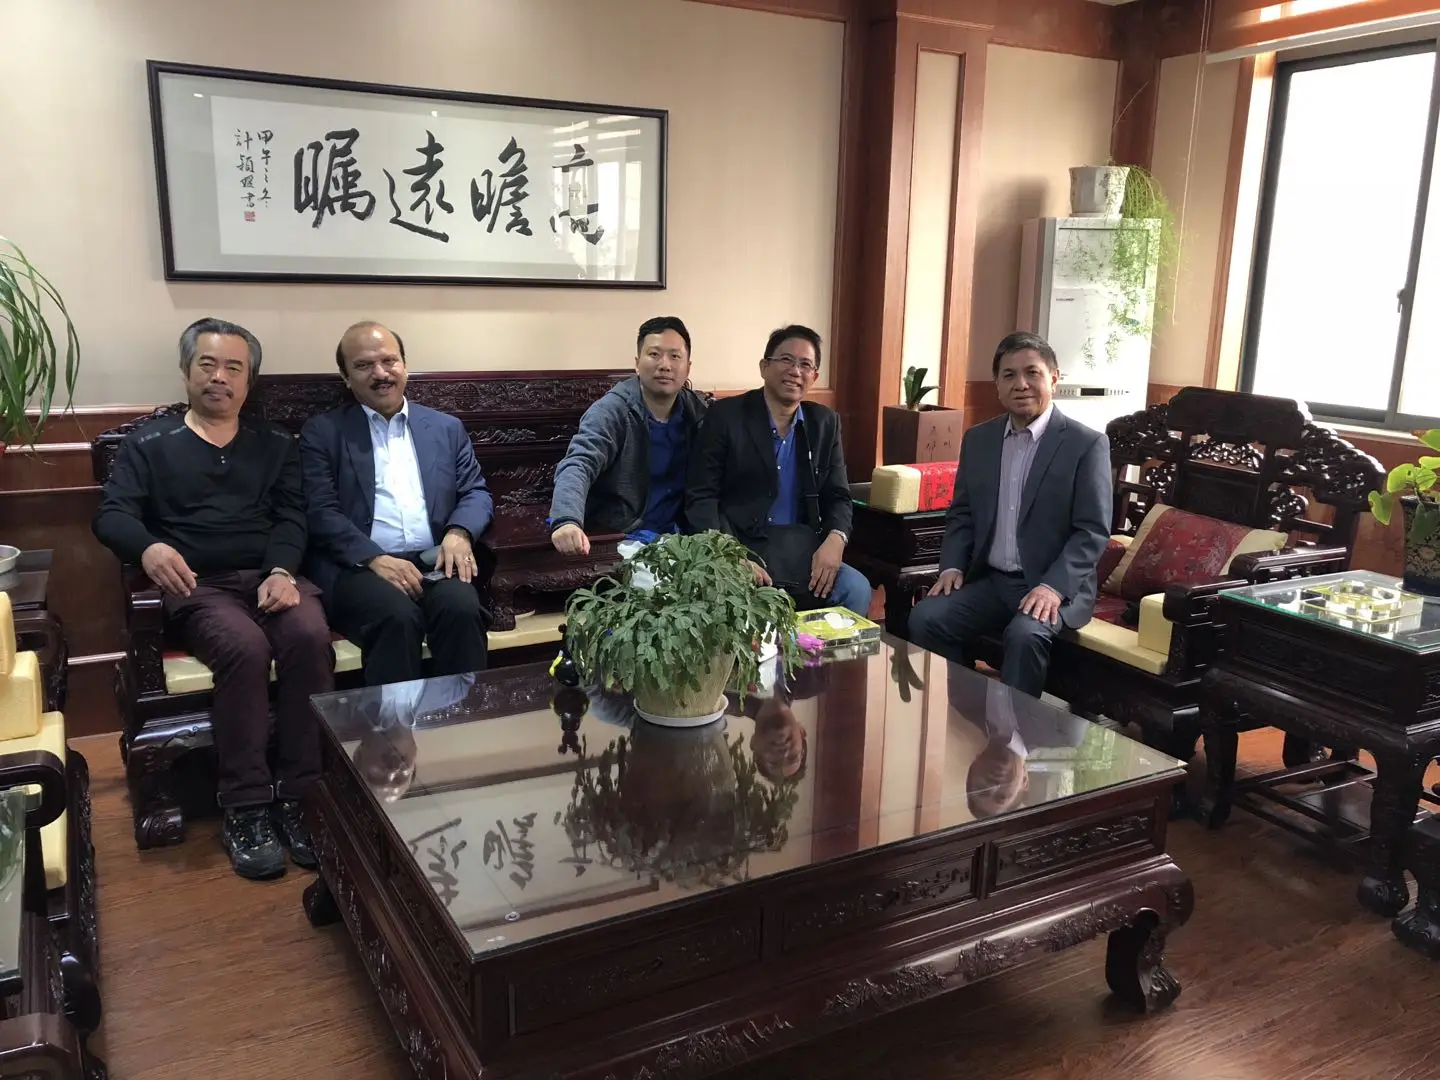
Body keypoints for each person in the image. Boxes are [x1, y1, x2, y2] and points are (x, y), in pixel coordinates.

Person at [93, 317, 334, 880]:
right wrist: (149, 548)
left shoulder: (275, 444)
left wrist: (282, 570)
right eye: (207, 364)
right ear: (186, 372)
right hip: (198, 586)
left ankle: (300, 794)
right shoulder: (149, 444)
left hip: (269, 576)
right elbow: (112, 515)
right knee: (245, 647)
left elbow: (292, 516)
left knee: (308, 635)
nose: (219, 377)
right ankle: (246, 805)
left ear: (249, 381)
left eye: (233, 368)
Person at [908, 331, 1111, 698]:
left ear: (1053, 378)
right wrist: (951, 565)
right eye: (1009, 375)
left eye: (1032, 373)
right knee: (926, 618)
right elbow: (962, 513)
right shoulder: (979, 440)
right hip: (991, 581)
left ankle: (1014, 732)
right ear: (997, 385)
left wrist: (1053, 587)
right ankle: (961, 712)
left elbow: (1092, 532)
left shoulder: (1086, 444)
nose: (1021, 384)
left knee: (1024, 635)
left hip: (1052, 586)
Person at [300, 321, 494, 687]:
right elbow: (319, 510)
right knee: (397, 617)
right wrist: (374, 558)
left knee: (462, 608)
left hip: (433, 560)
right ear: (345, 377)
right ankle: (394, 724)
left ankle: (463, 719)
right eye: (363, 365)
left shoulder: (445, 428)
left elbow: (475, 492)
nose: (380, 373)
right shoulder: (323, 432)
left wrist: (459, 532)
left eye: (389, 360)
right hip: (359, 569)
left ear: (404, 365)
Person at [686, 324, 872, 616]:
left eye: (805, 364)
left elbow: (838, 494)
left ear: (814, 377)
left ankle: (821, 650)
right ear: (764, 367)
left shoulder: (824, 423)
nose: (795, 371)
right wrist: (727, 556)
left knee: (856, 589)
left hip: (800, 551)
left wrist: (836, 539)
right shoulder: (726, 417)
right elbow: (701, 497)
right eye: (786, 360)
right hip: (739, 548)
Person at [549, 315, 709, 554]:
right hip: (623, 535)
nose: (665, 365)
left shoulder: (697, 411)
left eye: (675, 356)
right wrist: (566, 519)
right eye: (654, 354)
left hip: (683, 536)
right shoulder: (612, 410)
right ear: (637, 363)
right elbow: (579, 464)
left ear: (688, 367)